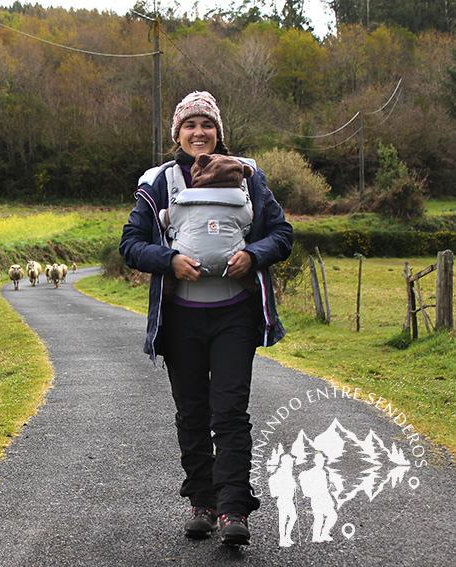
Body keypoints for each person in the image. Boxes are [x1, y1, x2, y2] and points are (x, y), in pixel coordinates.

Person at [119, 91, 293, 546]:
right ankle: (203, 503)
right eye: (190, 126)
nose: (199, 133)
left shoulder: (247, 177)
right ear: (177, 134)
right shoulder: (158, 182)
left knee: (230, 410)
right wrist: (169, 260)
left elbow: (281, 234)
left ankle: (235, 509)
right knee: (192, 413)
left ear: (219, 132)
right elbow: (131, 244)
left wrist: (253, 255)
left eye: (207, 125)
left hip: (236, 314)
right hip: (181, 318)